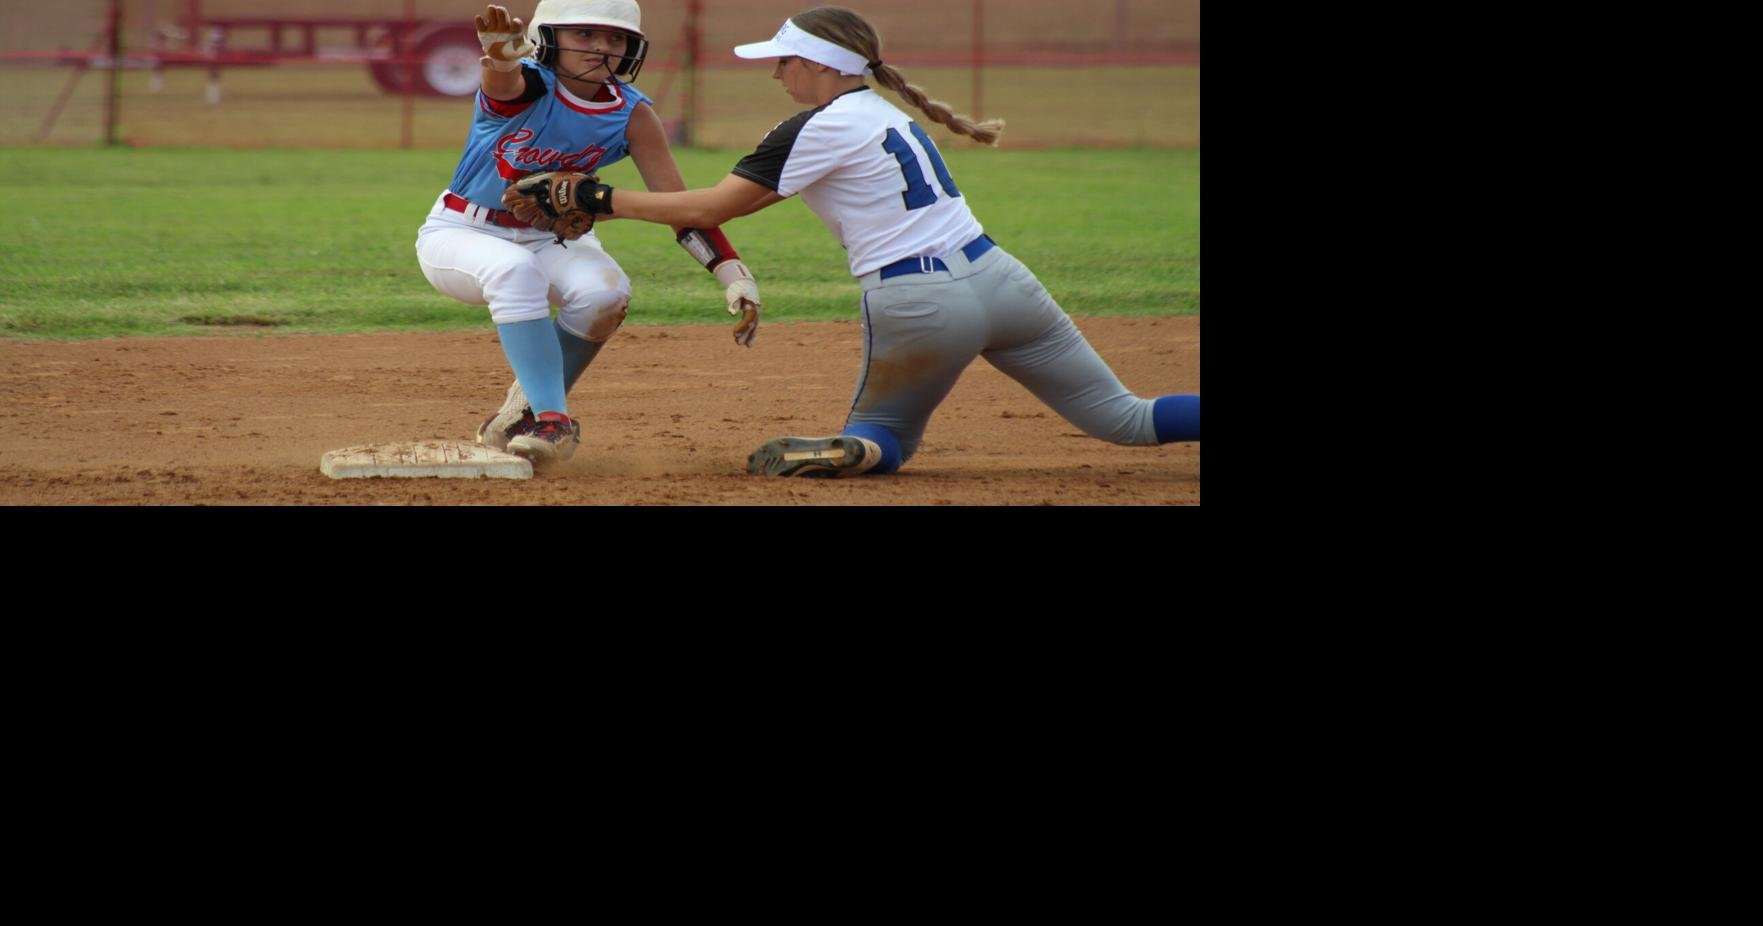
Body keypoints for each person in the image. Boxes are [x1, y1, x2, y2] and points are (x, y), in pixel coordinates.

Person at [567, 5, 1200, 477]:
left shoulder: (812, 126)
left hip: (918, 301)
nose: (776, 73)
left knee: (883, 443)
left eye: (782, 61)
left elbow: (712, 206)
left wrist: (596, 199)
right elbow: (727, 202)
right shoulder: (885, 112)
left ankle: (861, 445)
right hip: (1004, 281)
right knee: (1128, 418)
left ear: (817, 63)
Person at [415, 0, 762, 466]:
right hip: (462, 231)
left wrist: (731, 273)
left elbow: (678, 207)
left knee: (607, 294)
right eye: (584, 35)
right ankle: (555, 419)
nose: (602, 47)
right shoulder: (530, 85)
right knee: (515, 271)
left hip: (551, 237)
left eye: (615, 38)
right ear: (548, 39)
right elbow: (504, 85)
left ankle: (523, 412)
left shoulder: (633, 114)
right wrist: (500, 59)